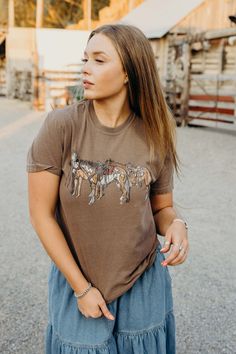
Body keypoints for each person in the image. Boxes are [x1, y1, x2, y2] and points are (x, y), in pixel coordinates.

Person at [26, 24, 189, 354]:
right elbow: (41, 215)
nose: (85, 69)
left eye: (99, 60)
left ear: (129, 71)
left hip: (144, 280)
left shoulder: (156, 133)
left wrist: (176, 224)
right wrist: (81, 289)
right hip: (78, 280)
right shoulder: (62, 126)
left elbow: (161, 208)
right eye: (85, 59)